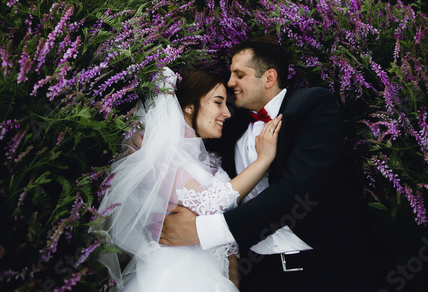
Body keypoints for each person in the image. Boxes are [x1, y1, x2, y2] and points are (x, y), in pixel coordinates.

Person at [158, 37, 375, 291]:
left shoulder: (313, 107)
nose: (230, 83)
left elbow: (297, 191)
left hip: (320, 271)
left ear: (269, 78)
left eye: (239, 74)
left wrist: (203, 231)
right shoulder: (232, 126)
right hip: (257, 277)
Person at [96, 66, 283, 291]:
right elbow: (211, 204)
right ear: (189, 107)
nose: (227, 112)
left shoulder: (211, 160)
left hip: (215, 276)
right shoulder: (158, 152)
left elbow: (225, 224)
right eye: (217, 102)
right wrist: (263, 161)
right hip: (178, 274)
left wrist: (232, 273)